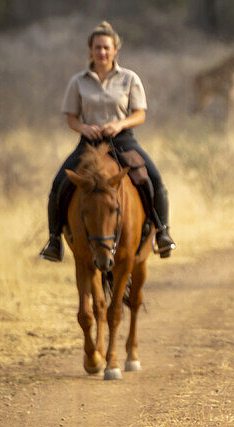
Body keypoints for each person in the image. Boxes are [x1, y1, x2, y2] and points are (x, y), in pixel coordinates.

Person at [39, 21, 176, 262]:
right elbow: (71, 117)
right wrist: (84, 128)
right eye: (97, 47)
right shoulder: (78, 81)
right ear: (90, 50)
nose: (102, 52)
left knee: (154, 180)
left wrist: (120, 124)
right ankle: (54, 240)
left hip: (123, 140)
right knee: (59, 184)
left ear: (115, 50)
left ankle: (162, 232)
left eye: (106, 48)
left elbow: (139, 114)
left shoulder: (129, 78)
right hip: (89, 144)